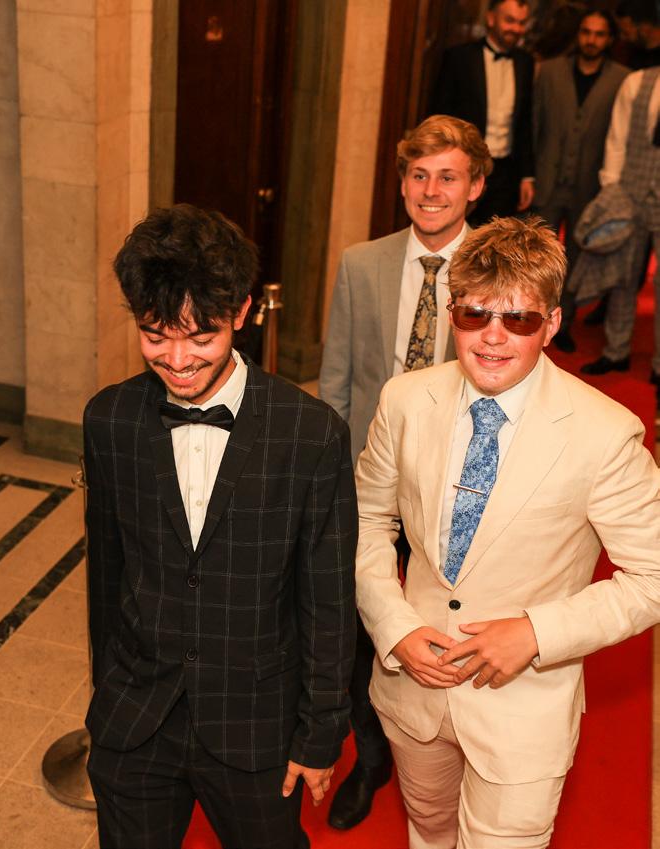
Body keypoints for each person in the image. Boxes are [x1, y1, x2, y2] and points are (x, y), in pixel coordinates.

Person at [355, 216, 660, 848]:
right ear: (452, 314)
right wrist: (394, 624)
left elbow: (653, 575)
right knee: (428, 830)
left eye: (518, 320)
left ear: (551, 323)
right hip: (414, 686)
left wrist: (536, 634)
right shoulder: (404, 400)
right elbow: (366, 520)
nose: (492, 338)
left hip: (525, 710)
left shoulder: (605, 433)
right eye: (475, 315)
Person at [83, 204, 358, 849]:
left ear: (242, 313)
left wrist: (320, 732)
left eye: (200, 337)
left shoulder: (311, 433)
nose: (178, 359)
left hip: (255, 726)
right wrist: (106, 697)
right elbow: (108, 573)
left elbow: (327, 598)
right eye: (155, 335)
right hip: (136, 718)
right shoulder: (109, 419)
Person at [318, 114, 491, 831]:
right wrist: (327, 479)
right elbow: (337, 381)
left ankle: (446, 747)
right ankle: (373, 758)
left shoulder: (499, 264)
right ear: (401, 183)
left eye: (448, 176)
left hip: (458, 486)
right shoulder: (361, 263)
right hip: (369, 480)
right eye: (418, 175)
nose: (431, 190)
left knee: (439, 618)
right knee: (359, 625)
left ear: (475, 186)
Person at [534, 8, 628, 352]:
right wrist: (529, 175)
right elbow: (533, 124)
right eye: (587, 32)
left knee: (574, 258)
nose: (592, 40)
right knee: (536, 254)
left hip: (589, 187)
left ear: (610, 39)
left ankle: (564, 322)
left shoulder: (622, 79)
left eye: (600, 34)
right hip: (547, 179)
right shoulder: (549, 71)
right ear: (578, 34)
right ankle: (531, 317)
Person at [580, 62, 660, 406]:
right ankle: (616, 352)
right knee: (622, 275)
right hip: (630, 191)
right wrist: (612, 189)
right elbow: (617, 137)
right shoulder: (637, 82)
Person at [431, 0, 534, 224]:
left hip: (505, 173)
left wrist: (527, 176)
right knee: (454, 229)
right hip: (465, 164)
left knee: (494, 237)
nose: (516, 28)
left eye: (521, 23)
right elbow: (440, 115)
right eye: (510, 20)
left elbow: (525, 123)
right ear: (490, 18)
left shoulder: (525, 63)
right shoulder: (459, 58)